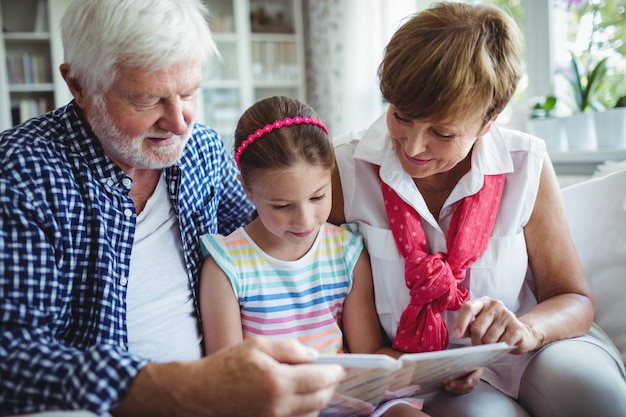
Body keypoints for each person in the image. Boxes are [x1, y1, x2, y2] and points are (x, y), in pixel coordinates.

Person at [0, 1, 345, 416]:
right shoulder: (22, 172)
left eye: (188, 92)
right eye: (147, 100)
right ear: (78, 86)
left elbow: (263, 249)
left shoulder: (201, 149)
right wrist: (184, 387)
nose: (180, 122)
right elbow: (13, 358)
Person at [329, 3, 626, 417]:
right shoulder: (344, 167)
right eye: (402, 116)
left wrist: (527, 330)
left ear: (489, 121)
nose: (412, 147)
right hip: (418, 371)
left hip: (531, 349)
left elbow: (572, 296)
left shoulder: (527, 163)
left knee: (594, 394)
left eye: (442, 132)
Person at [199, 95, 432, 417]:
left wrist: (441, 373)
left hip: (352, 400)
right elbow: (228, 377)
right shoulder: (226, 265)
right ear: (247, 190)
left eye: (318, 196)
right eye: (282, 206)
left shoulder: (345, 251)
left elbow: (368, 353)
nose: (305, 220)